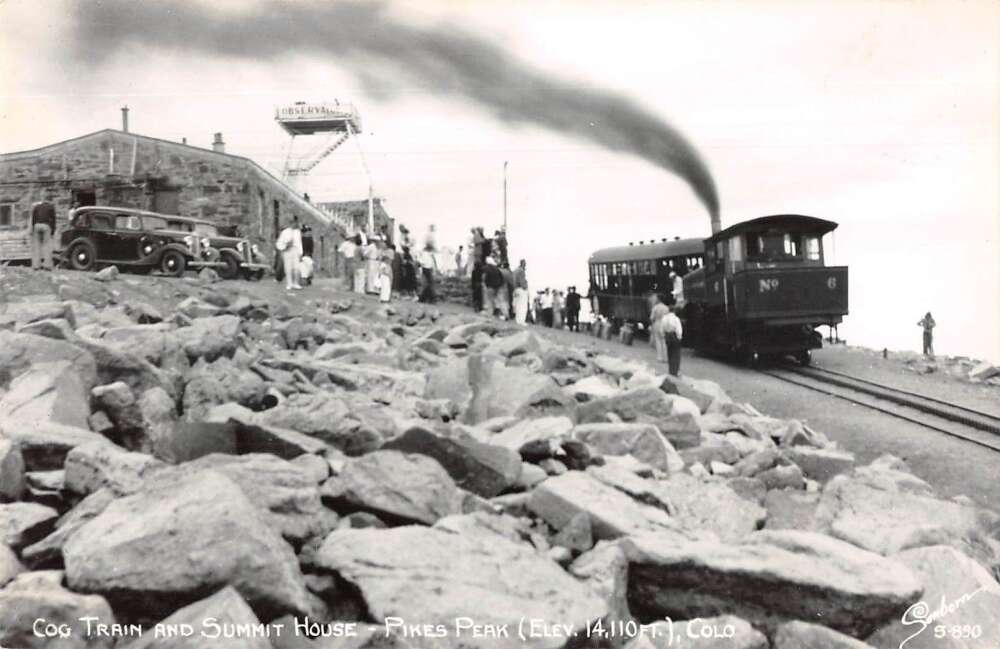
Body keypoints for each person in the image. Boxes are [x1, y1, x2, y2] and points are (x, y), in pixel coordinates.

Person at [275, 218, 303, 290]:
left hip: (295, 250)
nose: (294, 224)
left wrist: (300, 253)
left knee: (297, 268)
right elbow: (279, 243)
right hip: (287, 251)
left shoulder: (298, 232)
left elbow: (299, 244)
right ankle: (289, 284)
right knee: (288, 268)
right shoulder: (285, 232)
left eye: (295, 223)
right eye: (293, 223)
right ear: (290, 223)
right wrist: (284, 247)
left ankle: (296, 283)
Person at [30, 197, 56, 271]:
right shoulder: (51, 207)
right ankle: (47, 265)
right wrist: (53, 231)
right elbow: (53, 219)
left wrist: (33, 228)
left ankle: (36, 266)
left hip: (37, 225)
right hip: (46, 225)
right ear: (49, 201)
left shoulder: (37, 207)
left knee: (36, 245)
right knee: (46, 245)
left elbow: (33, 219)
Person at [513, 259, 529, 324]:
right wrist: (525, 287)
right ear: (523, 264)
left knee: (517, 305)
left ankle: (517, 320)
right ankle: (521, 321)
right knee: (523, 306)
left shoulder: (515, 270)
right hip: (521, 289)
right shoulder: (521, 271)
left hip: (516, 288)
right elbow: (522, 281)